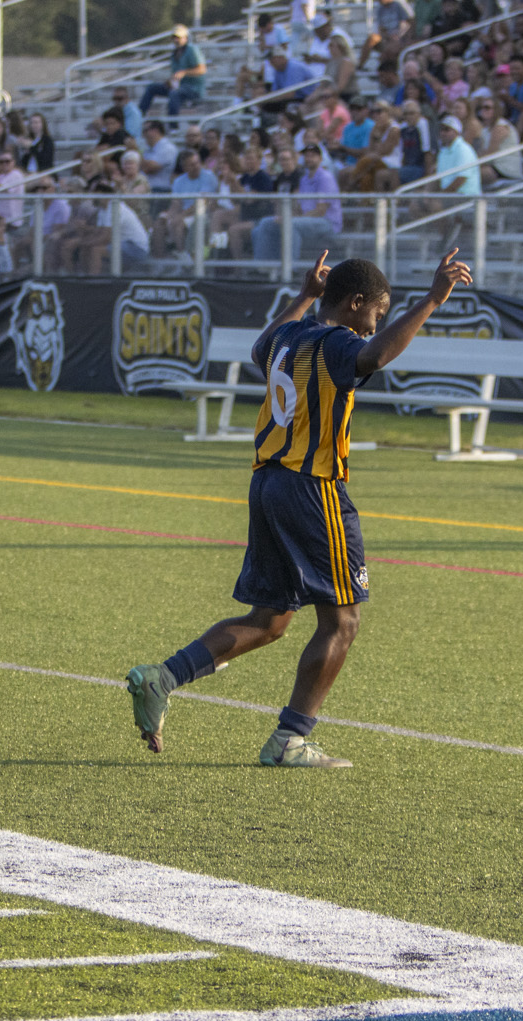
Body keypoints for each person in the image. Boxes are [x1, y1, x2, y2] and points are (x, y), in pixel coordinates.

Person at [123, 249, 473, 768]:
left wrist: (306, 293)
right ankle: (291, 739)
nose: (374, 323)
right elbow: (374, 356)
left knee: (270, 620)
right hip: (313, 489)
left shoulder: (288, 337)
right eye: (375, 312)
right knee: (342, 621)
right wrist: (432, 300)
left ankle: (164, 677)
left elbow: (261, 346)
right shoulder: (337, 342)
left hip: (267, 483)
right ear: (355, 304)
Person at [139, 24, 208, 116]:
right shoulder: (174, 54)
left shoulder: (192, 50)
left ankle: (173, 126)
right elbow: (176, 75)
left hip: (193, 89)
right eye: (174, 37)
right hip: (179, 87)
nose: (176, 40)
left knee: (174, 93)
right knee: (152, 88)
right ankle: (140, 115)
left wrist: (184, 72)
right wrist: (170, 82)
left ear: (185, 38)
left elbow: (202, 69)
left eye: (178, 37)